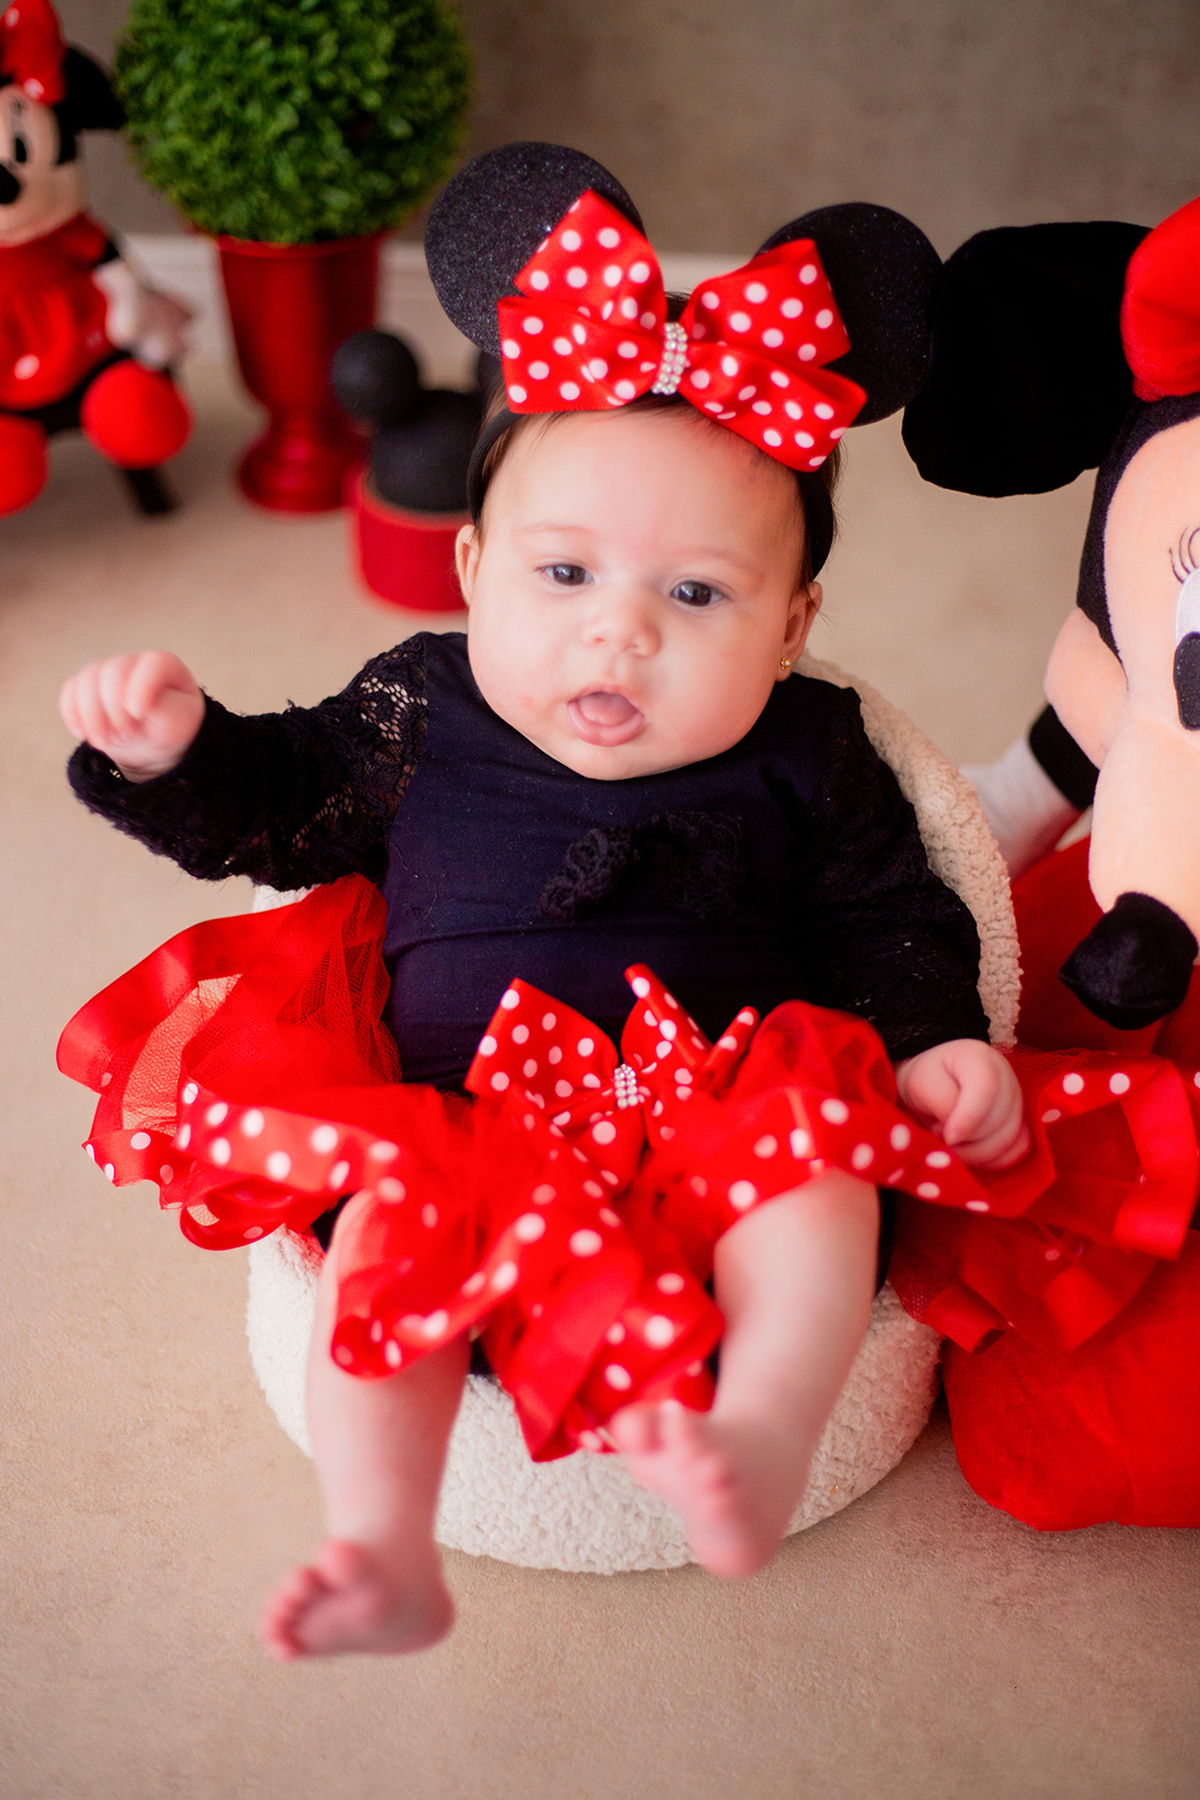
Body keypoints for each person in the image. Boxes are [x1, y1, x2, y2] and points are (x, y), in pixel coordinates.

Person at [58, 151, 1038, 1660]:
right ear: (469, 573)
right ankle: (382, 1542)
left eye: (697, 597)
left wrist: (929, 1038)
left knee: (821, 1179)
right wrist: (180, 747)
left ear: (794, 628)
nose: (619, 633)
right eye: (564, 572)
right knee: (382, 1247)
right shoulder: (421, 710)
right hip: (467, 1117)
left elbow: (888, 911)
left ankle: (763, 1437)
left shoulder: (809, 750)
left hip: (719, 1105)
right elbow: (283, 807)